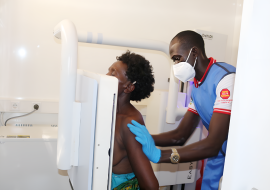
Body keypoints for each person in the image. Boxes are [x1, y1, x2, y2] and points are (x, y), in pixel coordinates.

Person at [128, 31, 236, 190]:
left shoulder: (225, 78)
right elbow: (180, 136)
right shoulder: (197, 86)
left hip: (236, 162)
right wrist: (147, 138)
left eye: (177, 58)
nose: (176, 65)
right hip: (217, 159)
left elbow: (213, 143)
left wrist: (161, 155)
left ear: (194, 52)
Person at [107, 51, 159, 190]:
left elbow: (150, 185)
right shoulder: (108, 110)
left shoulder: (129, 122)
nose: (106, 76)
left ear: (129, 87)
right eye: (108, 71)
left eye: (113, 74)